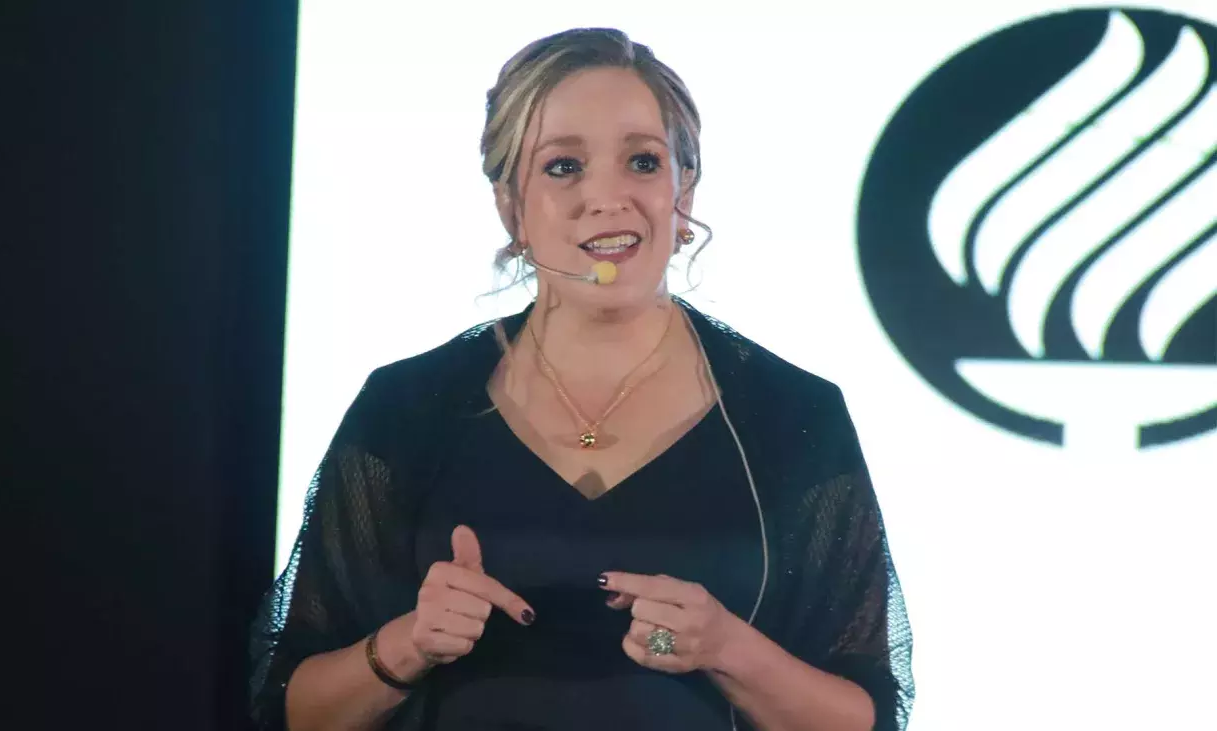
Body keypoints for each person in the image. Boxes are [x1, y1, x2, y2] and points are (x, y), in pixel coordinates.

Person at [249, 27, 914, 731]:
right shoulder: (407, 407)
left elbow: (866, 716)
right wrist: (407, 644)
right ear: (511, 204)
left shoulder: (792, 414)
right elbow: (293, 708)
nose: (607, 197)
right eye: (563, 166)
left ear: (684, 192)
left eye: (642, 161)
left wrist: (727, 648)